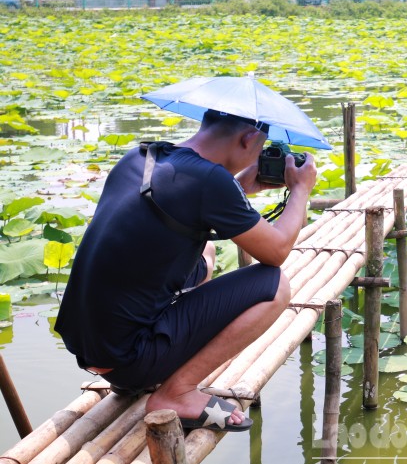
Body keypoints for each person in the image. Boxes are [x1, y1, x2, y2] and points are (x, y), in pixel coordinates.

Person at [54, 109, 317, 432]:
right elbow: (275, 253)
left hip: (91, 349)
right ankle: (176, 392)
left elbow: (179, 200)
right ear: (249, 139)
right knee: (274, 285)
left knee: (205, 255)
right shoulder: (209, 181)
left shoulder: (141, 156)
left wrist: (236, 189)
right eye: (261, 146)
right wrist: (300, 191)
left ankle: (142, 373)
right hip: (130, 360)